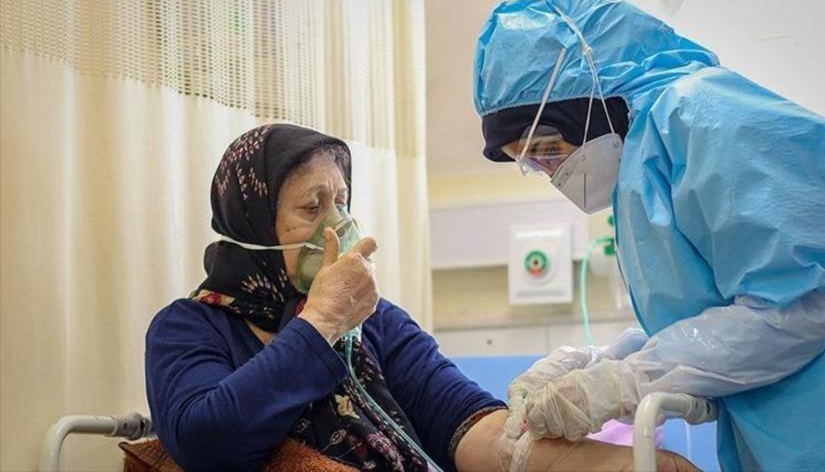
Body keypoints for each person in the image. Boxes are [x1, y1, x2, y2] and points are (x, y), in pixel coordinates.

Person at [473, 0, 825, 472]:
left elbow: (795, 311)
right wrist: (596, 362)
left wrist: (623, 382)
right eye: (530, 162)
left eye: (546, 147)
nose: (549, 172)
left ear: (588, 104)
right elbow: (713, 321)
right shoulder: (643, 161)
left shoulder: (709, 118)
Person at [145, 123, 697, 471]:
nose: (338, 223)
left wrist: (625, 465)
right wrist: (320, 322)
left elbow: (464, 423)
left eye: (341, 201)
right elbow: (207, 443)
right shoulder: (189, 328)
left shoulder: (375, 323)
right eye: (312, 208)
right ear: (254, 221)